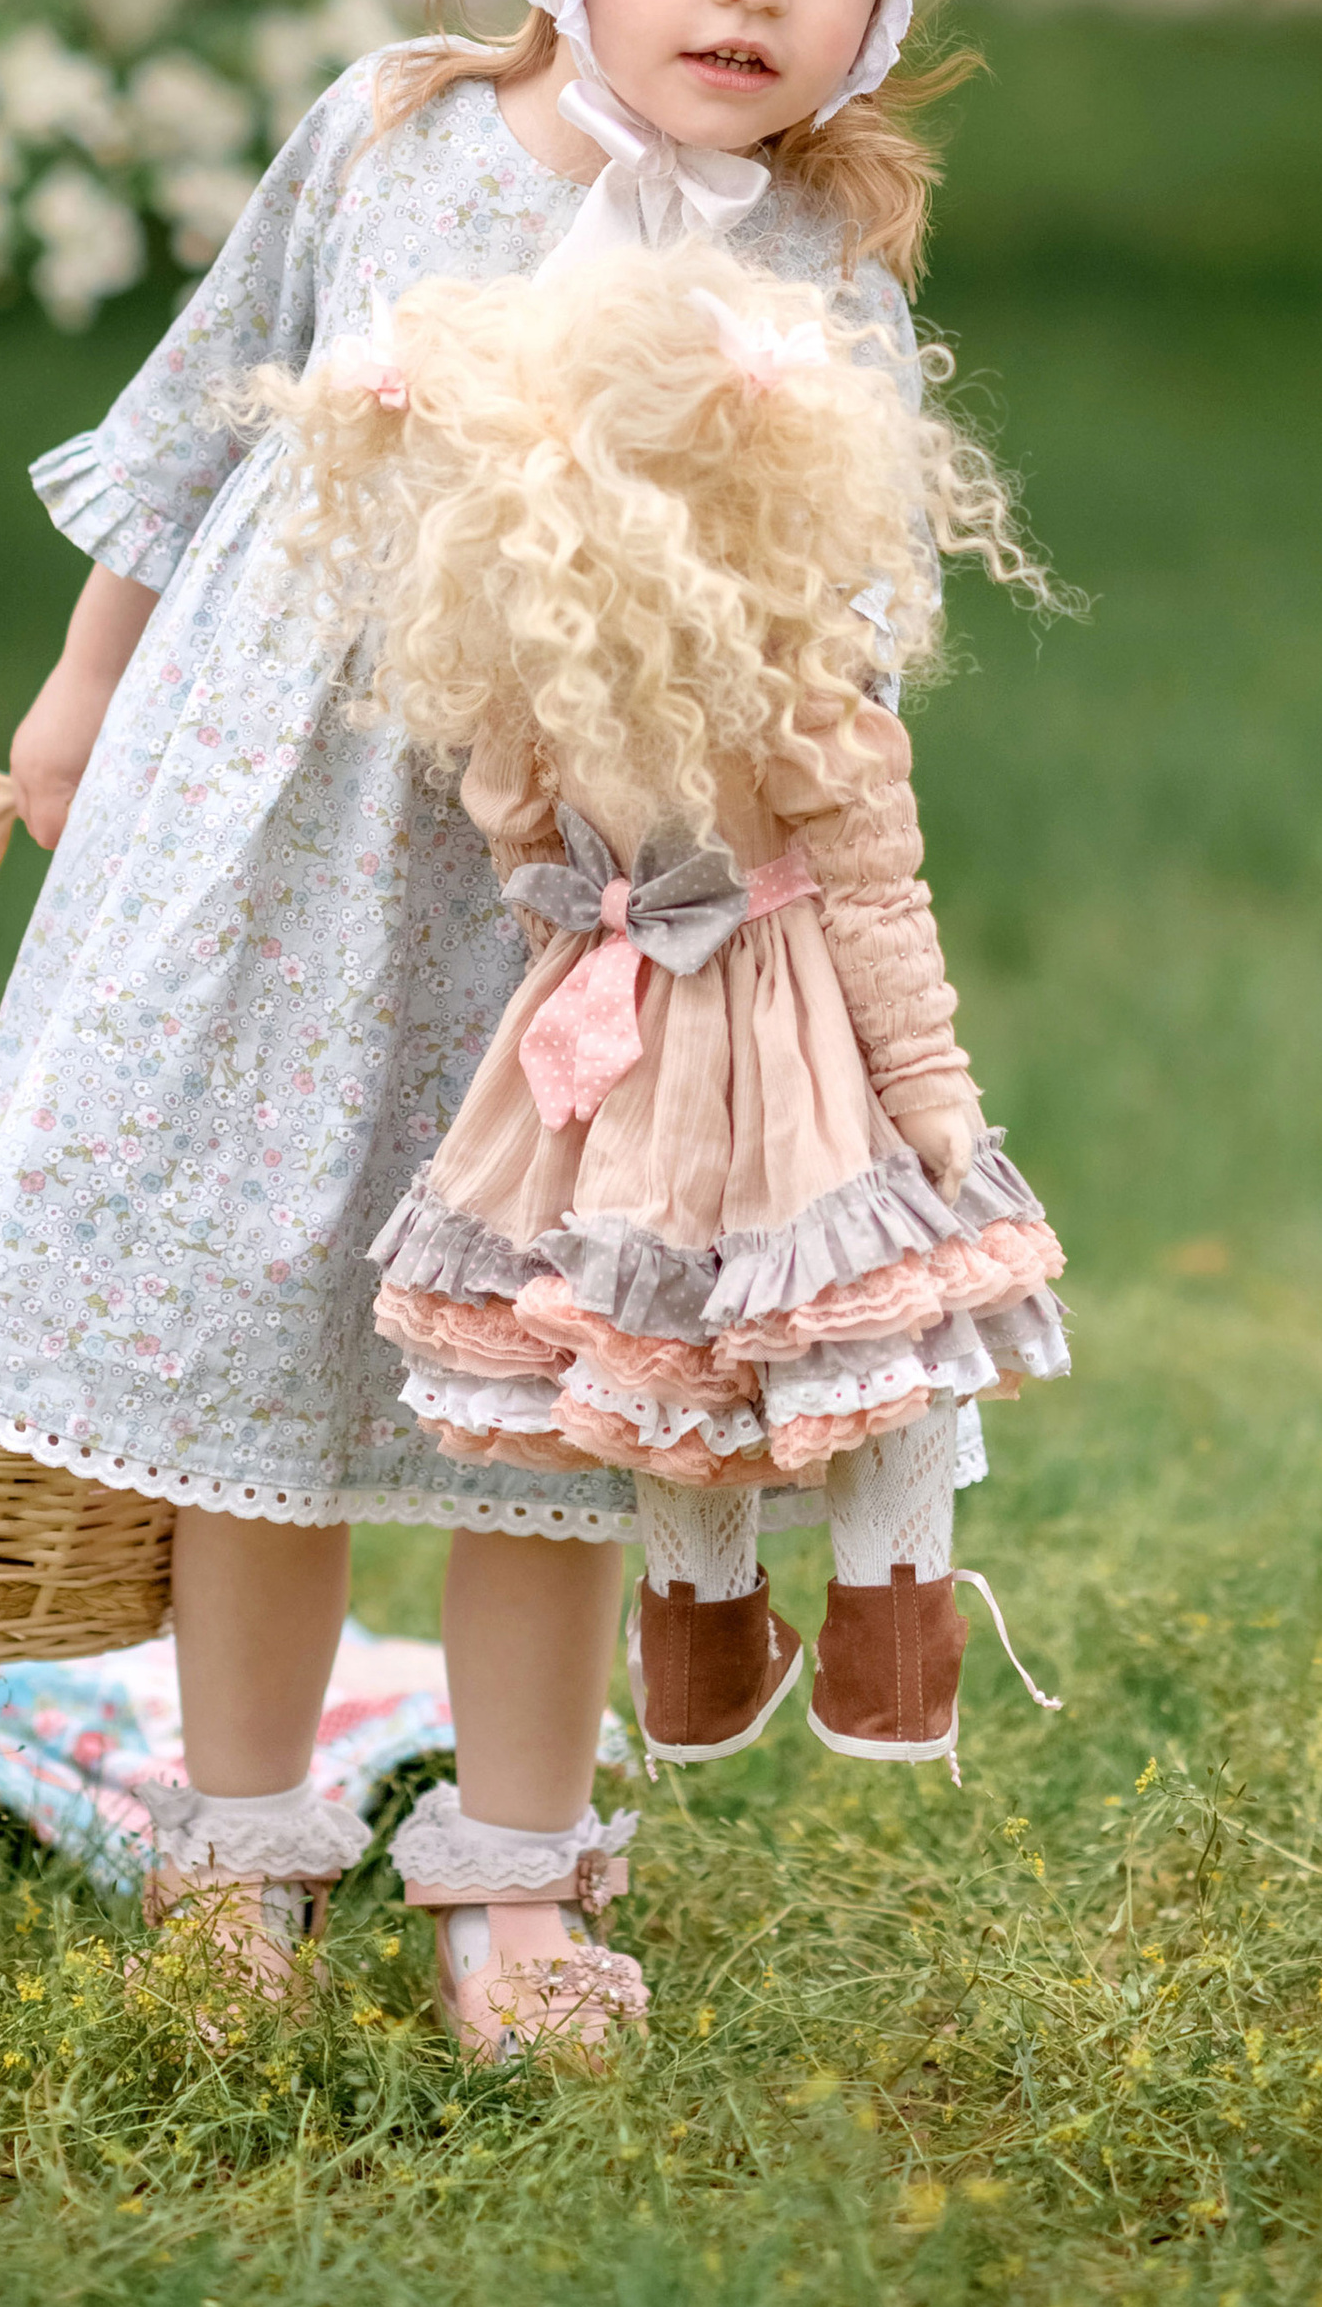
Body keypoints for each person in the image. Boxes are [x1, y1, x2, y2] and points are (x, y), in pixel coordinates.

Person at [0, 0, 1011, 2045]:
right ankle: (245, 1834)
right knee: (264, 1361)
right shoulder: (396, 134)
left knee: (548, 1395)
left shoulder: (815, 248)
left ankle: (512, 1868)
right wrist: (77, 692)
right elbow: (200, 416)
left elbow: (851, 593)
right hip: (286, 857)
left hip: (583, 922)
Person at [254, 246, 1067, 2053]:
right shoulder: (809, 698)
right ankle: (884, 1629)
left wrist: (589, 911)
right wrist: (933, 1113)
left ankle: (704, 1646)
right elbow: (876, 910)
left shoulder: (553, 700)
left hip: (606, 1060)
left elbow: (517, 846)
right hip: (772, 1060)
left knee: (665, 1347)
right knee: (869, 1332)